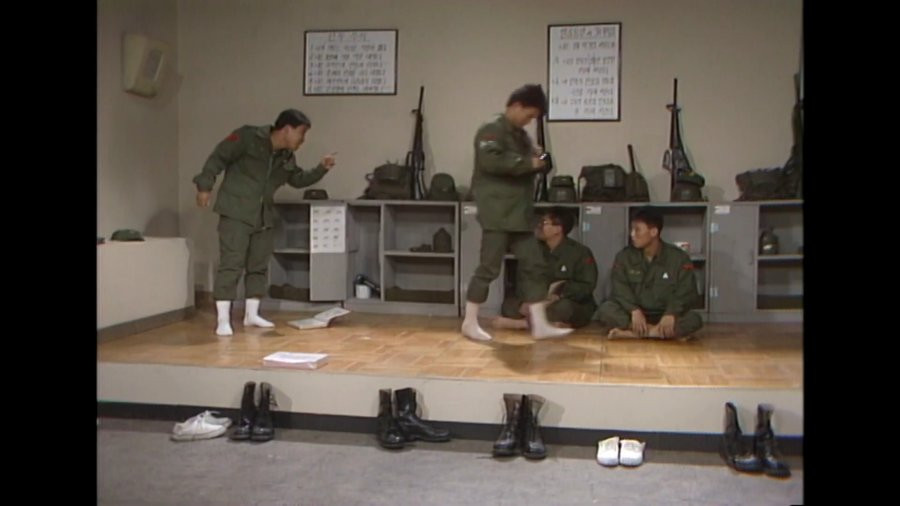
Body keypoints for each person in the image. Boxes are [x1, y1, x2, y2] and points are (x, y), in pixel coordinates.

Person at [193, 109, 336, 336]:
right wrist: (204, 186)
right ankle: (223, 319)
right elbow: (218, 158)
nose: (302, 140)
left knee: (258, 265)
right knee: (232, 263)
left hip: (263, 215)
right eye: (301, 133)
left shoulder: (286, 157)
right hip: (236, 212)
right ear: (286, 129)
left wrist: (322, 169)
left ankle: (252, 314)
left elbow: (297, 179)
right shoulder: (248, 137)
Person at [461, 84, 572, 342]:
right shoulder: (491, 132)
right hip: (498, 213)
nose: (529, 121)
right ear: (516, 106)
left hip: (519, 214)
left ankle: (540, 324)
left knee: (534, 265)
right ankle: (469, 321)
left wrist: (539, 159)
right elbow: (491, 161)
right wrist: (527, 162)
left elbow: (531, 164)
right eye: (529, 115)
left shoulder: (521, 138)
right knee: (489, 268)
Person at [598, 207, 704, 339]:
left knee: (694, 319)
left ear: (654, 232)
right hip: (635, 315)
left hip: (664, 314)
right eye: (631, 229)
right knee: (606, 310)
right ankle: (657, 333)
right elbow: (619, 288)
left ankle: (639, 333)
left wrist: (671, 313)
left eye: (637, 230)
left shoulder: (678, 258)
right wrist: (634, 310)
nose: (632, 234)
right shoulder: (624, 257)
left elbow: (687, 291)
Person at [493, 208, 598, 330]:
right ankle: (547, 323)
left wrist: (560, 294)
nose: (539, 226)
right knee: (509, 306)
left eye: (544, 223)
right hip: (538, 301)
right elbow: (524, 280)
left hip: (567, 302)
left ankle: (522, 324)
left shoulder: (580, 252)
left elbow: (587, 285)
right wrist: (525, 304)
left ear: (558, 229)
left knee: (564, 308)